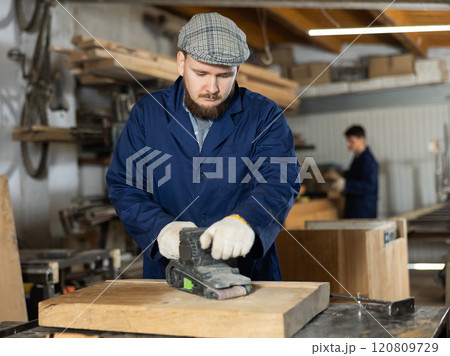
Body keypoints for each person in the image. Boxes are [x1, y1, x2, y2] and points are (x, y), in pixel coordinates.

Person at [106, 13, 300, 281]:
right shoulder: (147, 114)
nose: (212, 88)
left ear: (238, 71)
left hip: (249, 275)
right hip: (169, 273)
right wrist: (161, 229)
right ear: (181, 63)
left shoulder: (264, 115)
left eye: (224, 75)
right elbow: (125, 186)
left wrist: (246, 222)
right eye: (201, 73)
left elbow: (280, 181)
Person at [329, 125, 378, 218]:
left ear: (362, 140)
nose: (348, 144)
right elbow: (356, 176)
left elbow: (370, 186)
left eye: (351, 141)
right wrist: (340, 174)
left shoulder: (368, 160)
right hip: (354, 207)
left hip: (364, 210)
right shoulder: (357, 157)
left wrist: (345, 184)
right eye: (347, 141)